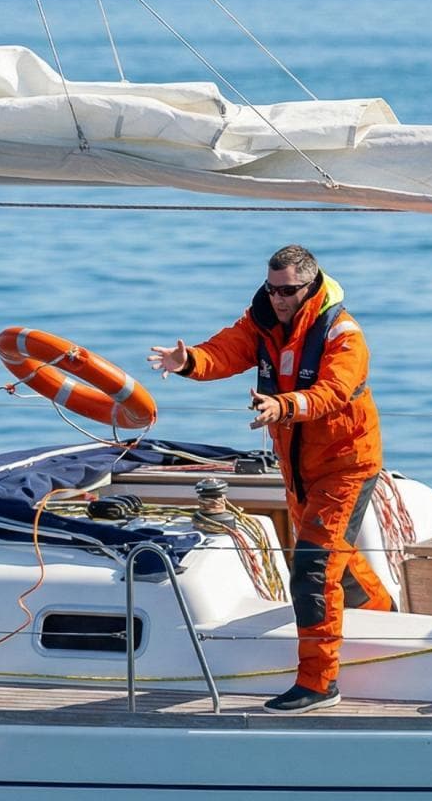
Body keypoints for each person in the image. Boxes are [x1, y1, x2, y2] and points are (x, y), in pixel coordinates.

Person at [148, 244, 389, 714]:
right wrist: (189, 361)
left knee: (313, 568)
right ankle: (382, 618)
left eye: (287, 291)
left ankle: (319, 684)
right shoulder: (260, 321)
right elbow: (224, 351)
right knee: (331, 557)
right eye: (272, 289)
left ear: (310, 286)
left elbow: (333, 392)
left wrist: (284, 405)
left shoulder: (343, 334)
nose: (278, 298)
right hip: (298, 466)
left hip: (345, 465)